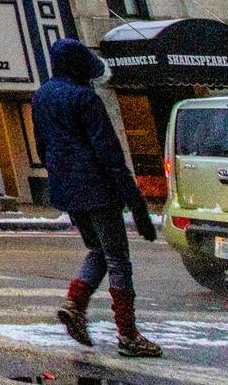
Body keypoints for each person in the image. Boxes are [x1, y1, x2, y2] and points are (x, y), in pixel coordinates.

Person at [30, 38, 160, 357]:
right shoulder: (85, 98)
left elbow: (41, 148)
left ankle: (74, 305)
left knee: (98, 250)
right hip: (97, 187)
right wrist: (137, 206)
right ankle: (128, 335)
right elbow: (109, 154)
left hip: (67, 190)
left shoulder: (41, 96)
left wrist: (61, 177)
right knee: (117, 258)